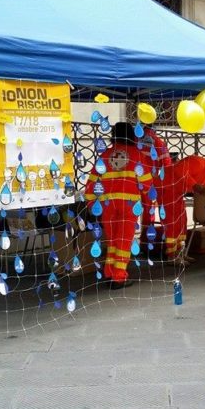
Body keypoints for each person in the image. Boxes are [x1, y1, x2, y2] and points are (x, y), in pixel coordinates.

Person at [85, 122, 152, 289]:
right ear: (131, 135)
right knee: (124, 241)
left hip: (107, 204)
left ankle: (109, 273)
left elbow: (92, 181)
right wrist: (148, 198)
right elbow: (145, 182)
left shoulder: (105, 155)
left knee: (112, 241)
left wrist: (91, 202)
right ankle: (119, 277)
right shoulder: (137, 154)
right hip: (129, 204)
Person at [160, 155, 205, 260]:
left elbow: (199, 191)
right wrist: (194, 185)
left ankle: (179, 253)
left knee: (181, 221)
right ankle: (172, 255)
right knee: (173, 222)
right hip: (166, 188)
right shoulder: (198, 162)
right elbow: (179, 171)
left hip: (176, 193)